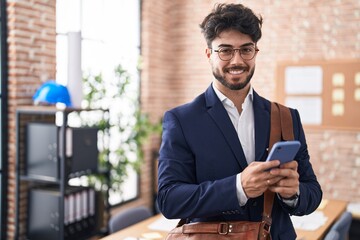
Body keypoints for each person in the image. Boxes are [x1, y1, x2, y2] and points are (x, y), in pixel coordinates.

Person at [157, 3, 322, 239]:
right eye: (225, 50)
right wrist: (238, 188)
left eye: (246, 50)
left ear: (255, 52)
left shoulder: (286, 117)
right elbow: (169, 200)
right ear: (208, 54)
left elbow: (313, 192)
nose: (237, 60)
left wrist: (293, 194)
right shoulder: (182, 120)